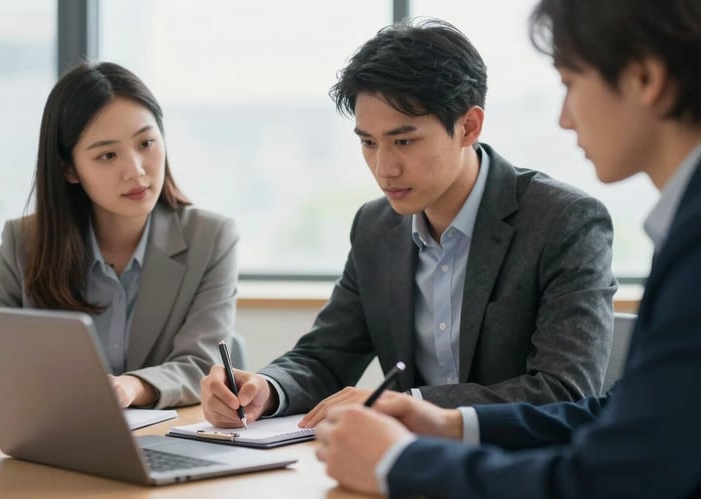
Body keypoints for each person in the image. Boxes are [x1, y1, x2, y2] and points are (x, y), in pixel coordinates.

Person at [315, 0, 701, 497]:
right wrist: (449, 424)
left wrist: (401, 463)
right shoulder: (682, 226)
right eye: (368, 143)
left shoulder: (592, 223)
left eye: (570, 82)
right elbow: (619, 414)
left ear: (645, 78)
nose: (563, 118)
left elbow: (613, 474)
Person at [200, 19, 617, 428]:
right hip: (408, 470)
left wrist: (406, 404)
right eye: (368, 142)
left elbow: (564, 392)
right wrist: (266, 389)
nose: (384, 168)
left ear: (468, 126)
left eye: (403, 141)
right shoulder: (375, 226)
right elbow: (326, 357)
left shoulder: (565, 221)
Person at [0, 62, 238, 410]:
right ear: (69, 169)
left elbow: (202, 365)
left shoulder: (210, 239)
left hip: (165, 441)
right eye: (108, 155)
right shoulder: (25, 242)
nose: (136, 171)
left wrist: (131, 388)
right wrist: (8, 391)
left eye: (146, 143)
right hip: (54, 443)